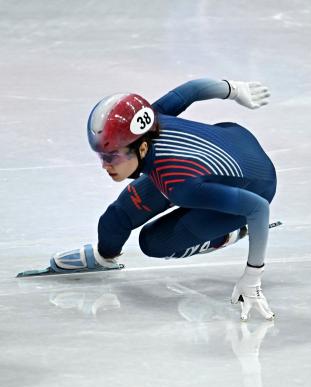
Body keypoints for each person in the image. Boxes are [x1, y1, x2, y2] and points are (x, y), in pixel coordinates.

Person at [50, 78, 276, 321]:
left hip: (257, 186)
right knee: (115, 220)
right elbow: (192, 90)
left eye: (112, 156)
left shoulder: (180, 185)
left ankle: (230, 233)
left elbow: (258, 208)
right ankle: (104, 257)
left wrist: (253, 277)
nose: (105, 166)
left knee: (155, 243)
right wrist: (234, 89)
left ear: (143, 149)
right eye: (101, 156)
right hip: (231, 139)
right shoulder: (151, 121)